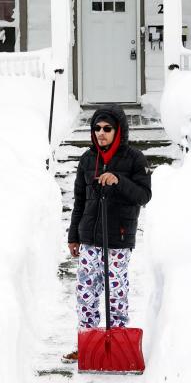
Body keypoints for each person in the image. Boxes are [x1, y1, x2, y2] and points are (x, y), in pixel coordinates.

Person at [62, 105, 151, 363]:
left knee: (116, 291)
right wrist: (73, 235)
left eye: (107, 129)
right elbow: (80, 200)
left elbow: (144, 195)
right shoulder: (88, 160)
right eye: (97, 128)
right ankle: (88, 343)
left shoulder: (135, 159)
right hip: (89, 237)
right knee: (86, 292)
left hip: (118, 238)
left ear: (118, 131)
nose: (101, 133)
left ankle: (119, 344)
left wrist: (119, 181)